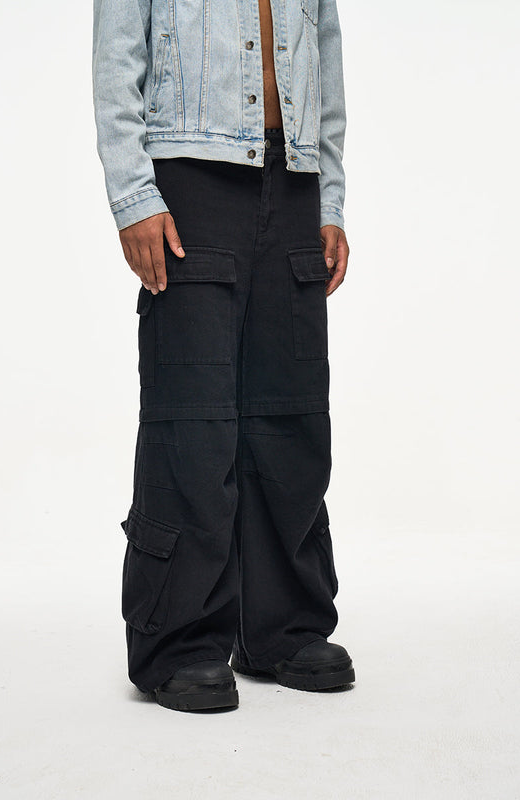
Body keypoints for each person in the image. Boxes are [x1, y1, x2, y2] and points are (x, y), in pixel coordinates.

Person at [92, 0, 355, 713]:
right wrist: (133, 195)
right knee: (193, 420)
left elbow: (326, 62)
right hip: (190, 177)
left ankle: (283, 629)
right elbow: (117, 56)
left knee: (291, 416)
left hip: (293, 177)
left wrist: (328, 201)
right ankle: (179, 644)